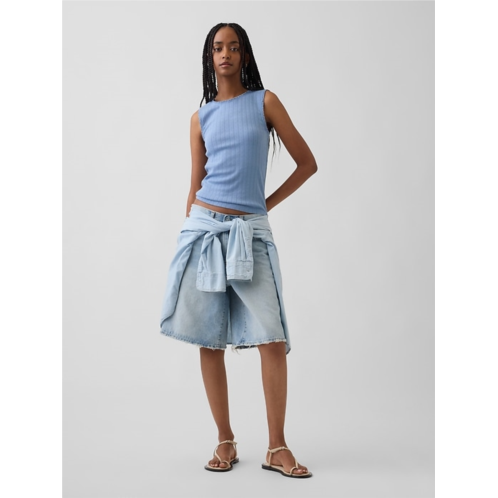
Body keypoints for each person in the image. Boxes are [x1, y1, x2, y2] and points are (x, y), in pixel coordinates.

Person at [160, 22, 317, 479]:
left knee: (272, 337)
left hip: (251, 232)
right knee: (209, 338)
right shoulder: (200, 118)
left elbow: (307, 163)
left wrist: (262, 205)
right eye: (217, 48)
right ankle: (225, 439)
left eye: (233, 47)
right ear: (210, 58)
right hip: (204, 228)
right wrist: (187, 235)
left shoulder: (265, 102)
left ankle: (276, 446)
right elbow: (195, 184)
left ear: (244, 55)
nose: (225, 54)